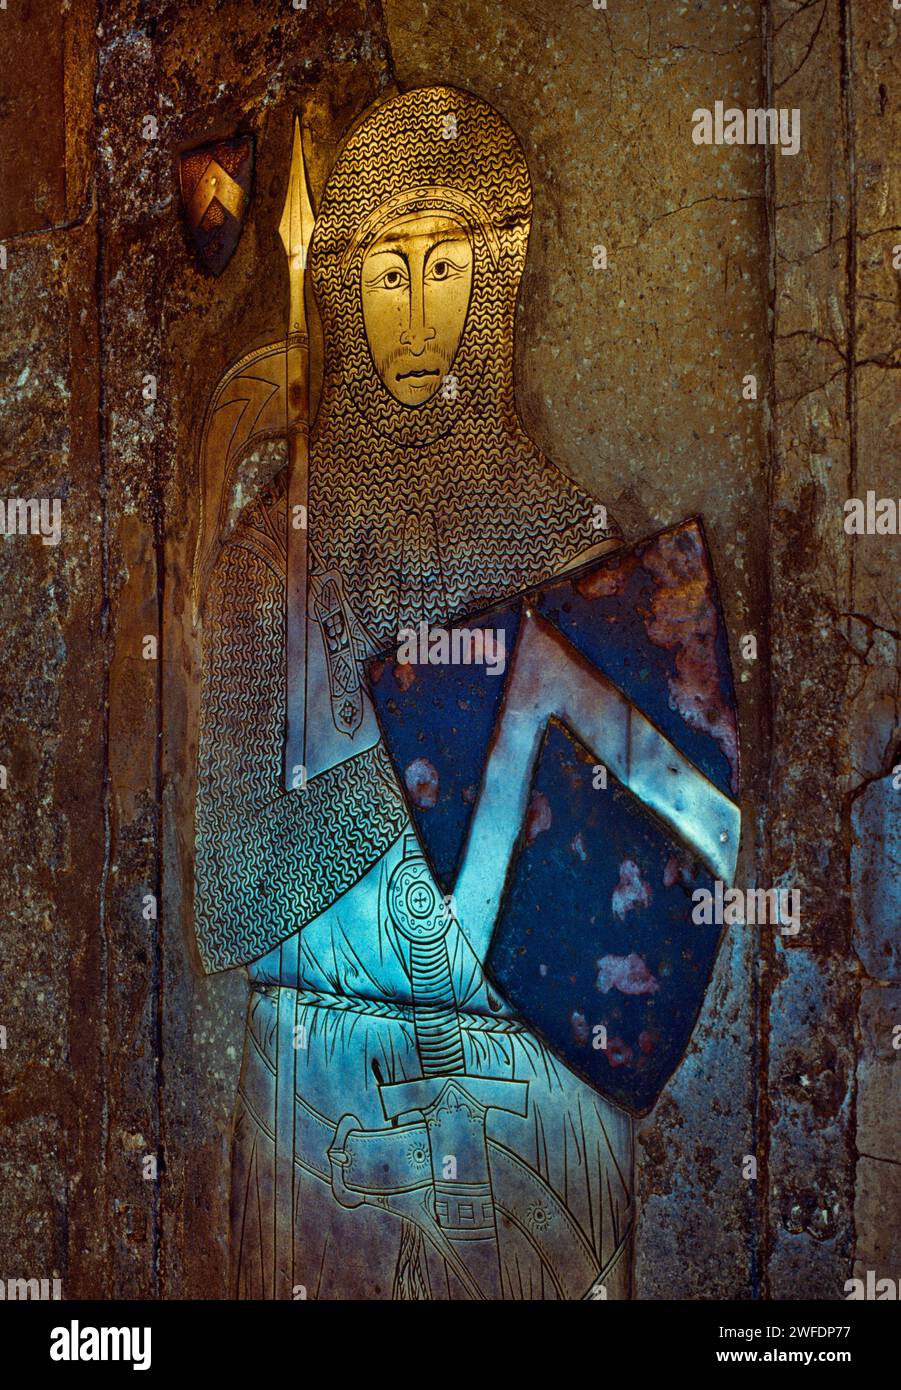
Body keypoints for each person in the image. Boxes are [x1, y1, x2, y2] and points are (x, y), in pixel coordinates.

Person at [194, 84, 631, 1300]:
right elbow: (229, 900)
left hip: (535, 1122)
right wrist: (412, 761)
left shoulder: (582, 574)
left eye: (449, 263)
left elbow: (623, 920)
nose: (417, 308)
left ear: (502, 276)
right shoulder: (265, 570)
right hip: (319, 1108)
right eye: (386, 271)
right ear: (342, 285)